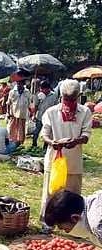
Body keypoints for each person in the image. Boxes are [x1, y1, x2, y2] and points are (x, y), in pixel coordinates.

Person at [39, 79, 92, 233]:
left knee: (74, 194)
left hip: (74, 159)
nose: (68, 103)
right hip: (55, 159)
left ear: (78, 96)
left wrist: (77, 141)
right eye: (66, 99)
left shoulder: (85, 112)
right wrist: (51, 142)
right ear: (60, 96)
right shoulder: (51, 112)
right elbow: (45, 133)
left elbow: (86, 135)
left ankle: (73, 224)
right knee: (50, 192)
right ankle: (47, 223)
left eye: (72, 100)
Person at [32, 80, 57, 148]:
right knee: (36, 132)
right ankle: (34, 144)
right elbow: (36, 106)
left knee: (47, 133)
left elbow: (55, 106)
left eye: (43, 89)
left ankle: (45, 147)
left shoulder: (54, 95)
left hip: (49, 118)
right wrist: (34, 115)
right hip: (40, 116)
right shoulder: (39, 95)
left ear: (47, 88)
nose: (42, 90)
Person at [7, 80, 31, 144]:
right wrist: (8, 112)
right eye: (17, 83)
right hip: (14, 113)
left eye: (20, 84)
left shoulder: (27, 92)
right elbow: (8, 103)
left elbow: (29, 104)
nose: (18, 85)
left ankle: (20, 141)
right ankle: (12, 140)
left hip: (23, 113)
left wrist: (31, 113)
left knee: (22, 129)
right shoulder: (12, 92)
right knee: (12, 128)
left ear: (23, 84)